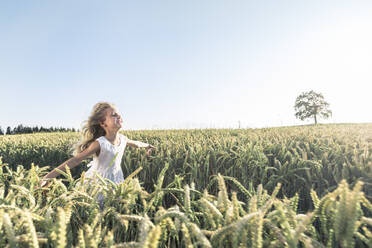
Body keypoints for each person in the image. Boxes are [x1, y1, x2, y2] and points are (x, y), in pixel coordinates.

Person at [40, 102, 155, 187]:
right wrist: (48, 177)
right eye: (114, 115)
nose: (119, 116)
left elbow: (136, 144)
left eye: (119, 114)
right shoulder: (100, 143)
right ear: (103, 123)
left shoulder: (123, 139)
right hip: (98, 183)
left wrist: (147, 145)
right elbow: (75, 160)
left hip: (116, 180)